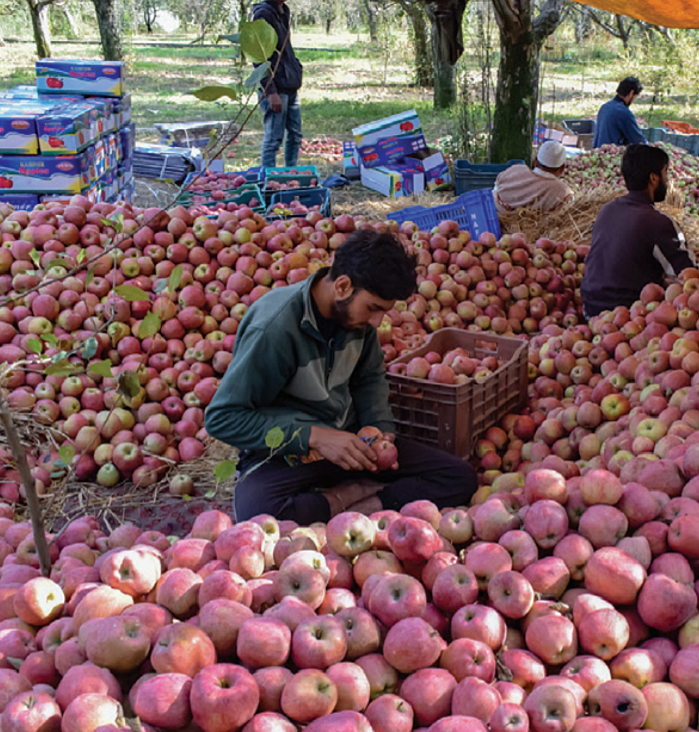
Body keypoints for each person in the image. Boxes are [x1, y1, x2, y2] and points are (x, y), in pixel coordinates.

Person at [204, 230, 479, 524]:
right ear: (343, 286)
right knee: (259, 513)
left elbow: (369, 377)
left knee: (459, 477)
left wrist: (378, 427)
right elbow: (222, 418)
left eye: (384, 312)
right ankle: (352, 495)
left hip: (351, 442)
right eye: (373, 308)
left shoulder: (359, 322)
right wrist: (314, 437)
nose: (377, 322)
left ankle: (355, 503)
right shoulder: (274, 328)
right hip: (288, 452)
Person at [580, 144, 694, 318]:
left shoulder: (607, 210)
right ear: (653, 178)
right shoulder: (660, 222)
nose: (667, 180)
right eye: (665, 173)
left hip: (590, 308)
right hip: (627, 315)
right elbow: (689, 275)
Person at [252, 0, 305, 168]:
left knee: (295, 135)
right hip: (276, 87)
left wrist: (296, 68)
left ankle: (291, 173)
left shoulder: (283, 11)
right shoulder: (264, 14)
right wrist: (271, 91)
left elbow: (285, 48)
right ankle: (269, 178)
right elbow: (258, 57)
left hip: (289, 84)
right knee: (274, 139)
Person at [492, 140, 574, 213]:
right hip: (530, 226)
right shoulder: (564, 193)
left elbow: (495, 192)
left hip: (495, 220)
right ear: (562, 168)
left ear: (535, 161)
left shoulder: (514, 170)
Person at [593, 77, 647, 149]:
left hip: (599, 150)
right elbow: (638, 141)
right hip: (613, 152)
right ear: (631, 93)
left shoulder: (605, 107)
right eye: (635, 97)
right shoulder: (623, 112)